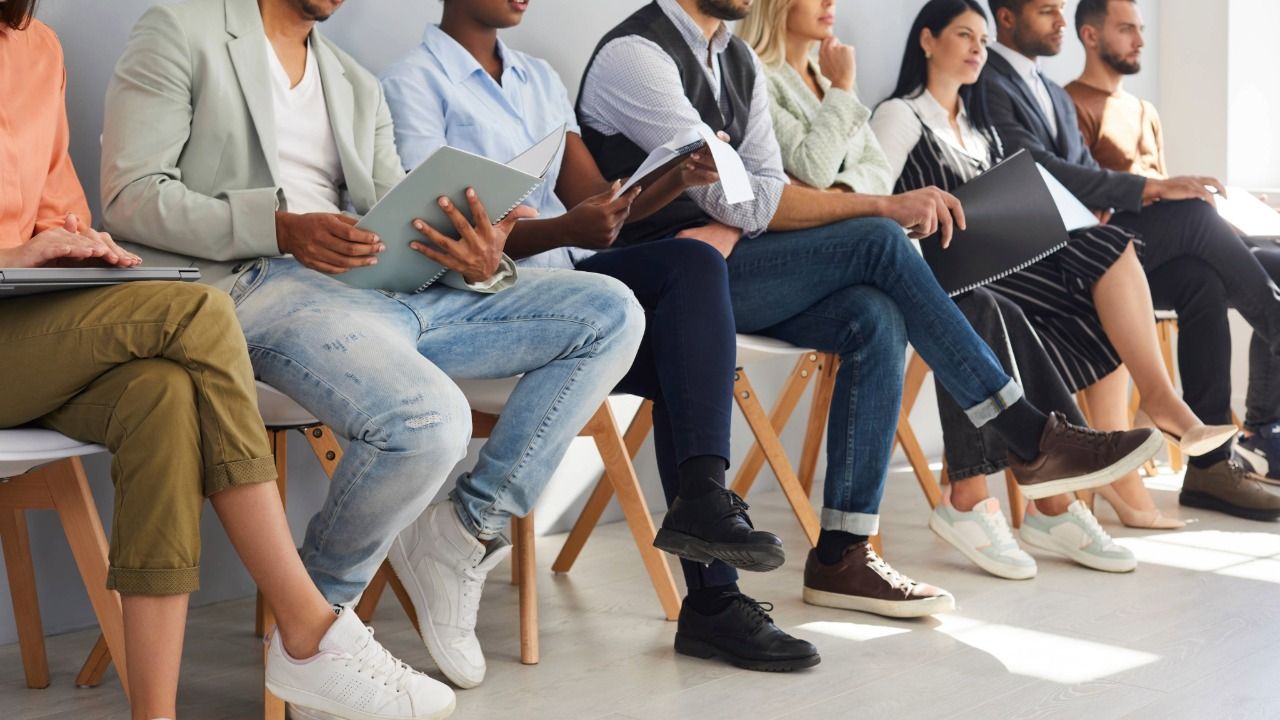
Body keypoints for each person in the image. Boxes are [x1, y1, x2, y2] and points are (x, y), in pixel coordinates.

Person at [101, 0, 645, 702]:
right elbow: (130, 197)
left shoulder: (353, 82)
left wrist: (475, 257)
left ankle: (465, 530)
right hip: (256, 283)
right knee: (428, 419)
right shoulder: (180, 29)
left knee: (610, 310)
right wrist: (280, 227)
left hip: (384, 287)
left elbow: (399, 216)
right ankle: (320, 632)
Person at [578, 0, 1161, 616]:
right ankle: (1024, 433)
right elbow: (739, 196)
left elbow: (762, 193)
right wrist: (876, 206)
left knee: (874, 315)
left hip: (731, 266)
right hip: (662, 282)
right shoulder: (636, 56)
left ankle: (842, 554)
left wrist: (744, 216)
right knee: (883, 237)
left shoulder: (738, 59)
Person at [0, 4, 455, 719]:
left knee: (163, 395)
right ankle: (307, 630)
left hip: (30, 323)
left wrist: (74, 243)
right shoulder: (179, 29)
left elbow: (62, 206)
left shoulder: (36, 45)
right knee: (202, 308)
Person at [379, 0, 817, 677]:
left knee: (692, 274)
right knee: (684, 339)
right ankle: (710, 596)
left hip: (575, 281)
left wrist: (672, 176)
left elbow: (599, 205)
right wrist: (563, 231)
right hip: (490, 301)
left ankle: (706, 540)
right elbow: (435, 233)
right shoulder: (411, 82)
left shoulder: (538, 78)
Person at [740, 0, 1179, 581]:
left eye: (982, 37)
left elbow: (864, 177)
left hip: (888, 266)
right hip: (822, 258)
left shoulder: (824, 82)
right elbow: (831, 181)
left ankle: (1037, 496)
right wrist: (847, 108)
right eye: (965, 35)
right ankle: (1024, 467)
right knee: (946, 280)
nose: (831, 5)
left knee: (987, 302)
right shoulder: (763, 76)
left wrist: (847, 183)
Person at [868, 0, 1240, 536]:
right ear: (926, 41)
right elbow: (872, 203)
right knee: (1109, 248)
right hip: (941, 269)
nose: (978, 48)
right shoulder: (901, 114)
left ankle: (1099, 473)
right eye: (964, 35)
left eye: (982, 37)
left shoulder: (979, 131)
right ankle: (1150, 413)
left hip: (997, 263)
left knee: (1101, 286)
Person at [980, 0, 1280, 522]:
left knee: (1200, 279)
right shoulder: (987, 83)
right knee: (1191, 215)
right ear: (1006, 17)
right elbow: (1035, 170)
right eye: (1048, 10)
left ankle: (1209, 467)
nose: (1060, 21)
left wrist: (1138, 195)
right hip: (1045, 254)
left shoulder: (1048, 90)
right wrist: (1150, 189)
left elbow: (1073, 171)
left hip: (1098, 241)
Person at [1066, 0, 1280, 486]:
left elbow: (1167, 199)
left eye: (1141, 29)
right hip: (1108, 260)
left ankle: (1238, 449)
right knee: (1192, 212)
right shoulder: (1070, 103)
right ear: (1091, 36)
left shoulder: (1145, 111)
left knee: (1235, 271)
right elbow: (1082, 200)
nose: (1139, 40)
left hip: (1164, 258)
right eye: (1126, 30)